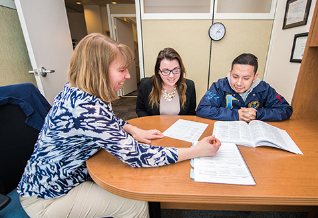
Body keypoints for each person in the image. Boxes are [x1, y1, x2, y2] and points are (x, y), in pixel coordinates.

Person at [17, 33, 221, 218]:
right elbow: (138, 156)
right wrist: (196, 150)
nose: (128, 76)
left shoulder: (77, 91)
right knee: (136, 204)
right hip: (49, 197)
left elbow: (107, 120)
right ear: (98, 71)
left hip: (54, 179)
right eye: (121, 70)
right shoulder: (87, 110)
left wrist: (132, 129)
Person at [196, 53, 292, 122]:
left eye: (246, 78)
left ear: (254, 77)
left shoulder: (264, 88)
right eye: (235, 76)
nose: (239, 83)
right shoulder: (219, 86)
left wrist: (257, 114)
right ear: (230, 73)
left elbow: (285, 109)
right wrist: (236, 114)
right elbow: (202, 109)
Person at [136, 47, 196, 117]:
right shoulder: (146, 85)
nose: (171, 76)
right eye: (166, 71)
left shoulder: (189, 86)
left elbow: (191, 113)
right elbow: (140, 110)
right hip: (154, 127)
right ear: (158, 71)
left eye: (175, 70)